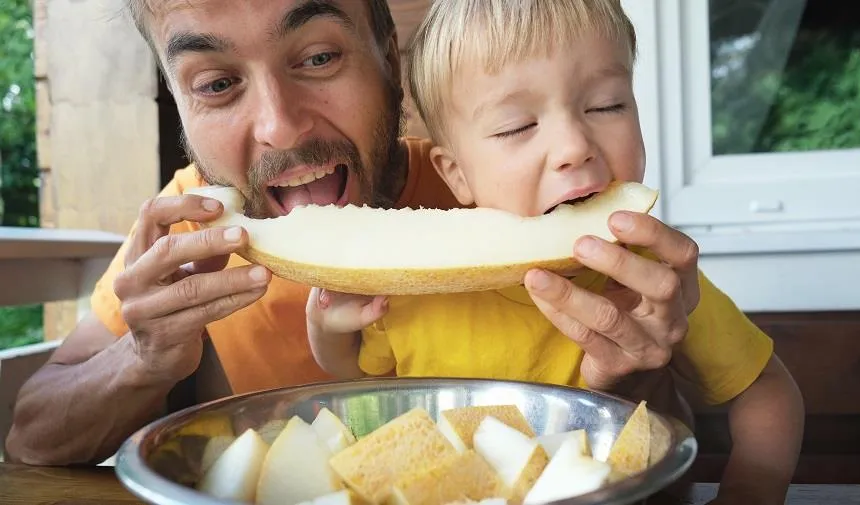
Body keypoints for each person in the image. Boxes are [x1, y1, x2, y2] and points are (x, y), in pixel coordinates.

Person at [2, 1, 799, 500]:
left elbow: (631, 451)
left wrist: (648, 366)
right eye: (216, 83)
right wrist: (142, 360)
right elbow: (31, 439)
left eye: (317, 56)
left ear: (386, 49)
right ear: (178, 103)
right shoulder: (189, 233)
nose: (279, 124)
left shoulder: (506, 185)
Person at [303, 1, 804, 503]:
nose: (573, 146)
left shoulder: (654, 277)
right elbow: (358, 377)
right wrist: (326, 327)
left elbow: (768, 394)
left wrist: (749, 491)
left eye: (607, 105)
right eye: (516, 127)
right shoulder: (415, 284)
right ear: (455, 173)